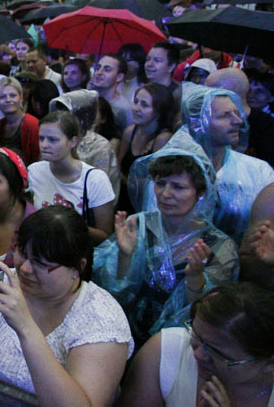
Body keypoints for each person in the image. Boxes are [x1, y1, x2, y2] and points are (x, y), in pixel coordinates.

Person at [0, 206, 133, 404]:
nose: (26, 268)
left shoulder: (101, 317)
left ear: (78, 267)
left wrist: (25, 327)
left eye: (41, 263)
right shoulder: (8, 285)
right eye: (22, 252)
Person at [93, 144, 239, 343]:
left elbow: (207, 318)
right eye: (160, 183)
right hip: (126, 335)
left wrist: (196, 278)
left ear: (201, 193)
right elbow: (114, 295)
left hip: (181, 346)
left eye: (178, 187)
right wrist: (125, 255)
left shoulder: (220, 247)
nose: (165, 194)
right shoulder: (139, 226)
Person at [119, 283, 274, 407]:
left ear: (269, 364)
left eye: (217, 352)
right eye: (196, 336)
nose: (198, 354)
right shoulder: (166, 352)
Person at [177, 84, 274, 245]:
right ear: (198, 123)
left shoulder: (259, 171)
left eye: (236, 113)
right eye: (225, 115)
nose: (238, 121)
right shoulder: (168, 170)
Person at [28, 111, 115, 243]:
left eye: (53, 139)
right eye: (41, 138)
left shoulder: (95, 180)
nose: (44, 145)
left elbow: (105, 236)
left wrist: (66, 225)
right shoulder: (34, 171)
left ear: (73, 142)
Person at [50, 89, 121, 202]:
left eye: (68, 114)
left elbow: (100, 190)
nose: (62, 119)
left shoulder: (100, 147)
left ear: (82, 117)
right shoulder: (55, 138)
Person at [117, 83, 174, 213]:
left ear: (160, 111)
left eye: (144, 105)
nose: (136, 108)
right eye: (136, 102)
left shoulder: (163, 139)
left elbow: (156, 182)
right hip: (125, 199)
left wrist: (127, 180)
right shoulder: (129, 132)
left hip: (147, 205)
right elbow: (119, 166)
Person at [0, 77, 40, 165]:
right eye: (2, 97)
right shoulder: (1, 125)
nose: (8, 100)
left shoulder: (32, 124)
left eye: (13, 95)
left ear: (21, 98)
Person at [91, 55, 133, 131]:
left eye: (107, 70)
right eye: (97, 68)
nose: (99, 72)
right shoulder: (89, 99)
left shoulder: (125, 109)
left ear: (119, 77)